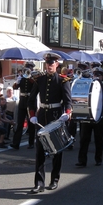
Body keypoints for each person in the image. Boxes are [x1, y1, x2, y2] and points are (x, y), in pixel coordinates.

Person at [28, 52, 72, 193]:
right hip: (42, 116)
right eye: (47, 63)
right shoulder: (39, 80)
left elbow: (68, 101)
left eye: (52, 64)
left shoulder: (62, 80)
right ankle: (39, 183)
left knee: (56, 150)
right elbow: (31, 100)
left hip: (56, 115)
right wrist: (33, 115)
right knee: (39, 151)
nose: (49, 66)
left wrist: (67, 114)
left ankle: (54, 179)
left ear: (57, 65)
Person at [76, 67, 103, 167]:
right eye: (95, 74)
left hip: (99, 116)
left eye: (99, 75)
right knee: (84, 139)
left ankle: (99, 159)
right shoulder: (88, 84)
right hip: (87, 115)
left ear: (102, 76)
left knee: (98, 139)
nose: (97, 77)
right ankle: (82, 160)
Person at [12, 61, 36, 150]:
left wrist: (30, 77)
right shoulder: (21, 78)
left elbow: (35, 86)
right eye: (27, 67)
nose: (28, 69)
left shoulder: (33, 78)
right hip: (22, 101)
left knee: (31, 123)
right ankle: (16, 143)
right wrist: (17, 81)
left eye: (29, 68)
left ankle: (31, 143)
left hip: (31, 102)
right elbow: (15, 87)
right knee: (19, 123)